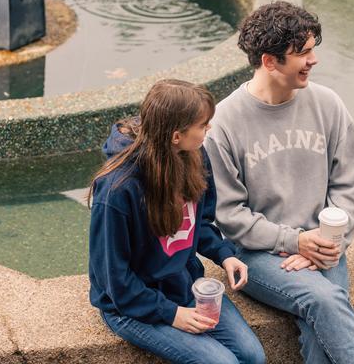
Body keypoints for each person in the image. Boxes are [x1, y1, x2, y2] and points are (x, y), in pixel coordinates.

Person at [204, 1, 354, 364]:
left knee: (320, 330)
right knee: (325, 299)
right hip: (257, 254)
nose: (313, 59)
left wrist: (330, 242)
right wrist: (294, 241)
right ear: (269, 61)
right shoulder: (223, 123)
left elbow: (349, 183)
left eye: (313, 49)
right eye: (302, 53)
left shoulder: (328, 105)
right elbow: (229, 214)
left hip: (324, 245)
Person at [88, 79, 266, 364]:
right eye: (202, 125)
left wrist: (224, 256)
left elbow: (199, 223)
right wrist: (171, 314)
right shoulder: (117, 191)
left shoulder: (195, 155)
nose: (208, 129)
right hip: (130, 306)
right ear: (175, 136)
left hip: (184, 286)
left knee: (253, 357)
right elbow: (115, 280)